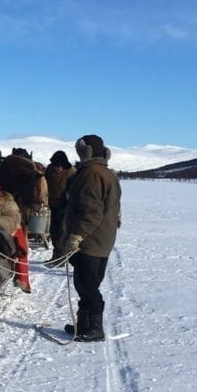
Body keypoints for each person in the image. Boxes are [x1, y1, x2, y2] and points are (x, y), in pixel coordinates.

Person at [60, 134, 121, 342]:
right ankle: (84, 324)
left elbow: (91, 211)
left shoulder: (92, 174)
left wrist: (77, 235)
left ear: (85, 151)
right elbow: (114, 208)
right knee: (86, 283)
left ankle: (95, 328)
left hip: (91, 240)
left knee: (87, 285)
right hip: (102, 238)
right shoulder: (106, 172)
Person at [44, 150, 76, 265]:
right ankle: (56, 256)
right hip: (53, 205)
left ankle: (61, 258)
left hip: (66, 206)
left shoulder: (72, 172)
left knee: (63, 232)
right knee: (53, 232)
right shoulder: (49, 170)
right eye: (55, 165)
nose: (57, 168)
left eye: (60, 166)